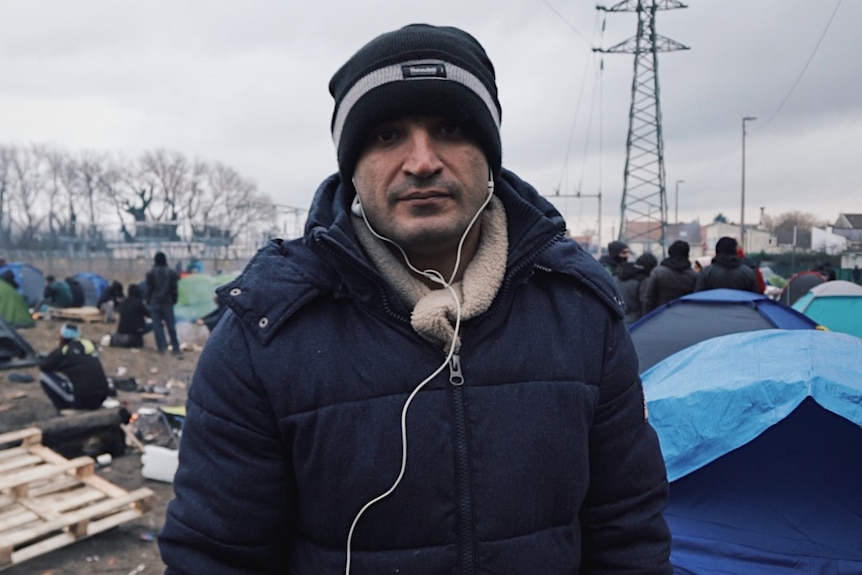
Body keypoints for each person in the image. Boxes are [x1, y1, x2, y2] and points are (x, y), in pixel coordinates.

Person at [159, 24, 672, 574]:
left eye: (450, 128)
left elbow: (628, 534)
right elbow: (214, 557)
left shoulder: (580, 312)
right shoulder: (264, 332)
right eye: (387, 136)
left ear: (488, 153)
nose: (422, 161)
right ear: (352, 167)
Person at [38, 323, 110, 413]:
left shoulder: (65, 350)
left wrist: (58, 350)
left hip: (81, 401)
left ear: (62, 337)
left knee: (44, 376)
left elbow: (44, 366)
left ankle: (63, 408)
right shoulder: (90, 345)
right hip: (101, 398)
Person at [642, 240, 698, 313]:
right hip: (684, 316)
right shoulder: (693, 276)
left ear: (670, 252)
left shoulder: (658, 272)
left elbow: (648, 298)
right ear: (687, 254)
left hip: (660, 315)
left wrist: (647, 318)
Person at [145, 251, 181, 356]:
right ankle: (175, 348)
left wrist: (147, 301)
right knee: (171, 326)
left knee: (157, 326)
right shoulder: (171, 272)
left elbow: (149, 290)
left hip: (154, 302)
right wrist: (174, 300)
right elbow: (174, 288)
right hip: (167, 302)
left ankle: (162, 348)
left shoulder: (150, 273)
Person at [695, 236, 759, 293]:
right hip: (740, 306)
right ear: (735, 251)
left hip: (712, 306)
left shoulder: (706, 272)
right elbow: (754, 297)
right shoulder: (748, 273)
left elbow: (697, 297)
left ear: (717, 251)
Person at [616, 252, 658, 324]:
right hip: (636, 322)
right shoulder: (644, 280)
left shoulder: (619, 275)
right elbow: (646, 302)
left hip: (618, 319)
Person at [112, 283, 152, 348]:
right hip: (136, 331)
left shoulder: (124, 302)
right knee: (155, 324)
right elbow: (149, 315)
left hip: (122, 331)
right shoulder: (138, 303)